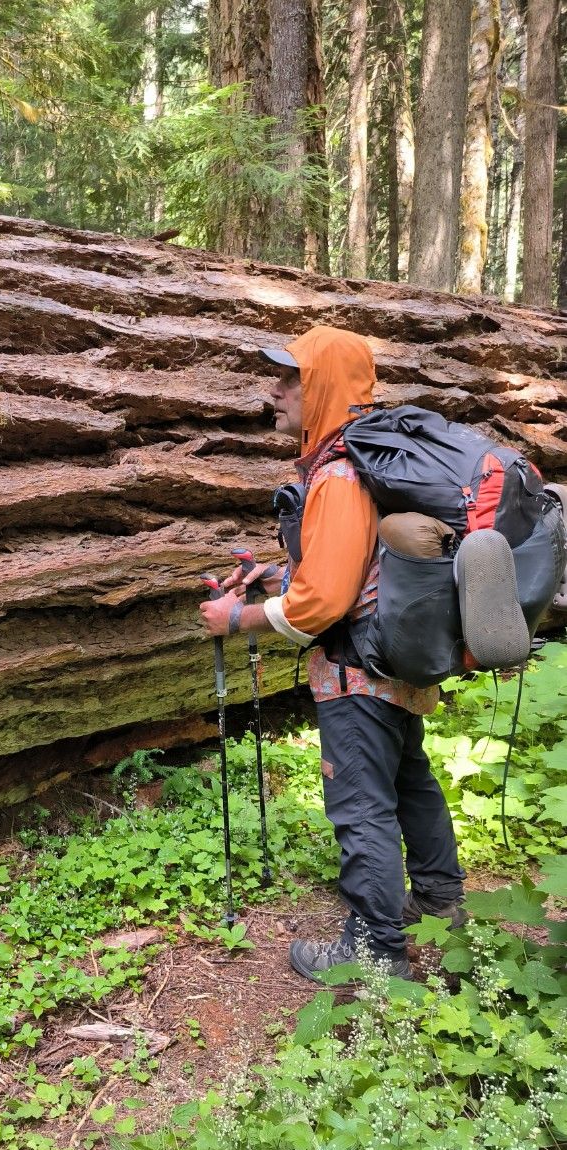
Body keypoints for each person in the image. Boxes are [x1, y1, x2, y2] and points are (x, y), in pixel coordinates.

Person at [199, 325, 466, 982]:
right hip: (392, 662)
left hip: (357, 673)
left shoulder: (342, 473)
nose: (275, 390)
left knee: (361, 805)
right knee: (409, 782)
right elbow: (347, 568)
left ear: (321, 386)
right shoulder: (363, 460)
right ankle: (438, 899)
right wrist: (274, 575)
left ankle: (376, 952)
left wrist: (237, 617)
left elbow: (324, 603)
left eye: (289, 377)